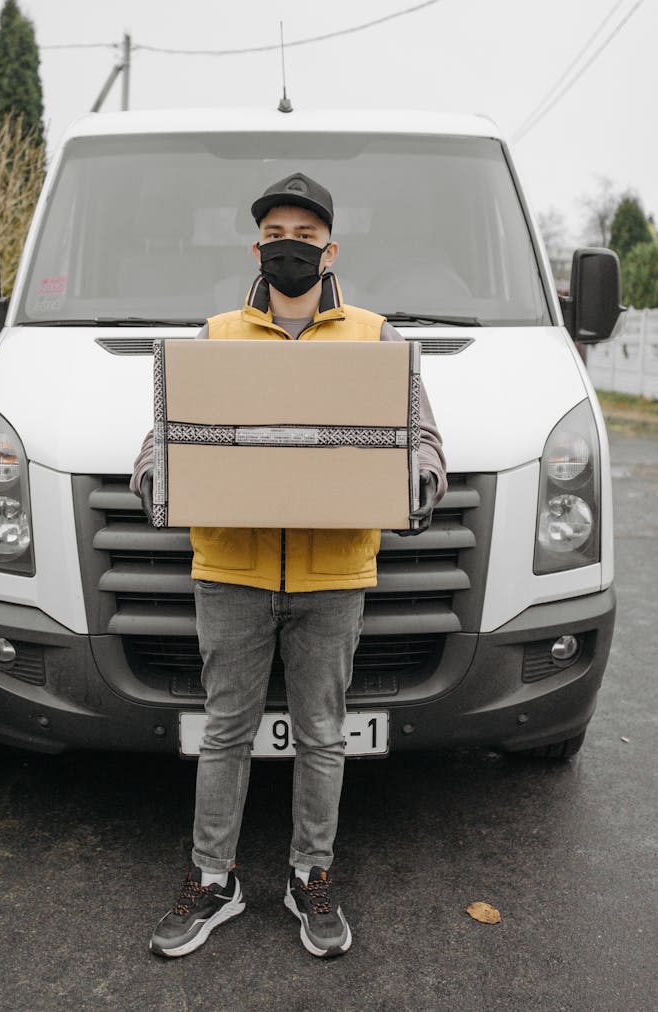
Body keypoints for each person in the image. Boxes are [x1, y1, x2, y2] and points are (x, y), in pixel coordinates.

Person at [130, 172, 447, 958]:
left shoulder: (378, 339)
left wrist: (416, 483)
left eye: (305, 238)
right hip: (230, 573)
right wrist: (155, 481)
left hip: (332, 577)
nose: (290, 249)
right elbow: (157, 444)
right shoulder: (211, 337)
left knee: (323, 736)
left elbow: (428, 445)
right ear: (257, 247)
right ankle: (214, 881)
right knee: (224, 732)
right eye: (277, 236)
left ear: (330, 249)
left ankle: (311, 875)